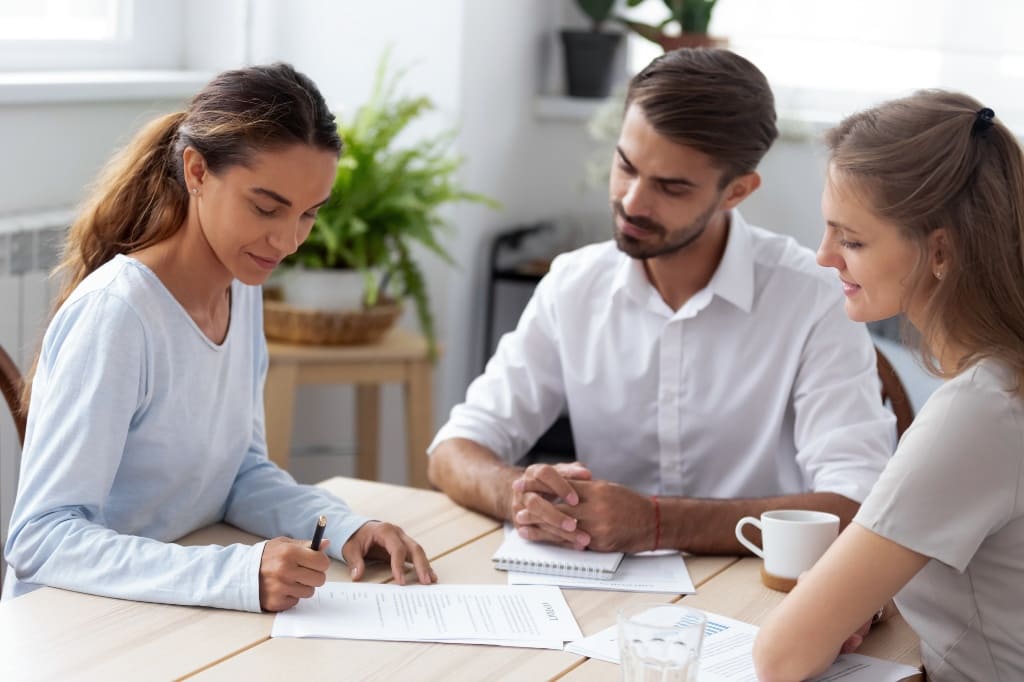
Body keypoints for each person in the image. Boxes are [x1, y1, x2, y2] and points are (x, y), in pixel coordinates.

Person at [3, 63, 435, 613]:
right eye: (266, 207)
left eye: (308, 215)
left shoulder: (242, 287)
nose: (288, 241)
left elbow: (239, 473)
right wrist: (235, 573)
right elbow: (41, 539)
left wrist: (344, 528)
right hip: (80, 623)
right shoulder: (119, 315)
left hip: (173, 605)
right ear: (197, 172)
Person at [427, 48, 896, 555]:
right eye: (626, 166)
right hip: (601, 600)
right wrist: (524, 498)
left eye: (670, 188)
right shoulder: (574, 285)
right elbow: (453, 450)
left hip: (760, 595)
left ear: (736, 191)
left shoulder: (811, 297)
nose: (632, 203)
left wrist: (655, 524)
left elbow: (855, 507)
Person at [753, 91, 1024, 680]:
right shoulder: (1001, 380)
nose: (824, 257)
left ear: (941, 251)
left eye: (850, 240)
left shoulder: (980, 410)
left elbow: (780, 657)